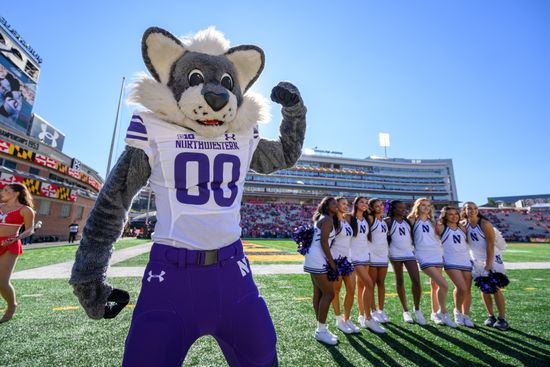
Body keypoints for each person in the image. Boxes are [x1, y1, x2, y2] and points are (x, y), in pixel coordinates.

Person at [408, 198, 456, 328]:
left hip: (436, 253)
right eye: (423, 205)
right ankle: (444, 313)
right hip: (423, 255)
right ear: (417, 206)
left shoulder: (433, 222)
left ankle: (434, 314)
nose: (426, 207)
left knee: (435, 286)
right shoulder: (412, 220)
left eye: (428, 206)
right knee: (444, 284)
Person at [462, 202, 509, 331]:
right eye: (469, 209)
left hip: (492, 258)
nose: (472, 211)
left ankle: (502, 318)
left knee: (495, 288)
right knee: (484, 288)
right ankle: (491, 316)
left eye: (474, 208)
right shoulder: (464, 224)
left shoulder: (484, 224)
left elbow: (489, 245)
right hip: (476, 260)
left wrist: (488, 264)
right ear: (464, 210)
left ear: (477, 210)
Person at [303, 197, 339, 345]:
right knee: (329, 293)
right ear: (326, 205)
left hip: (313, 256)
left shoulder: (322, 217)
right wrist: (332, 263)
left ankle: (321, 328)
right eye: (333, 203)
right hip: (318, 257)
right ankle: (320, 330)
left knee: (318, 292)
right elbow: (324, 242)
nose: (336, 206)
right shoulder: (328, 220)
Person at [0, 183, 35, 323]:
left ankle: (11, 306)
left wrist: (17, 237)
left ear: (16, 193)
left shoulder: (25, 210)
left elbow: (30, 229)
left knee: (2, 282)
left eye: (6, 190)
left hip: (10, 245)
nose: (3, 192)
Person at [386, 200, 426, 325]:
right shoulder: (388, 221)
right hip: (395, 254)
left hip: (409, 253)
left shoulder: (408, 221)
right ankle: (405, 311)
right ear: (393, 209)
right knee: (400, 281)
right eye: (400, 208)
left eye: (405, 207)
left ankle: (417, 309)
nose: (404, 210)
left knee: (416, 281)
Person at [350, 196, 385, 333]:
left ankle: (361, 315)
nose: (364, 204)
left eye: (366, 202)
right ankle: (368, 318)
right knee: (369, 284)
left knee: (362, 286)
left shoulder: (367, 219)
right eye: (361, 202)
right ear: (356, 204)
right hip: (354, 256)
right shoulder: (349, 218)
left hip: (366, 255)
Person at [436, 206, 474, 327]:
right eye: (450, 214)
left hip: (465, 260)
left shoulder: (463, 228)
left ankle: (466, 315)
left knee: (467, 290)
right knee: (461, 287)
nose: (454, 216)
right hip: (450, 260)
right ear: (445, 216)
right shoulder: (441, 227)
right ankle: (457, 311)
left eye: (456, 214)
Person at [330, 197, 360, 334]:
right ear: (336, 205)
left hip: (348, 260)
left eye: (347, 204)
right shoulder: (331, 221)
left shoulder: (347, 220)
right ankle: (338, 320)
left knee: (351, 290)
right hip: (336, 260)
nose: (346, 206)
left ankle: (347, 319)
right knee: (336, 291)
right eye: (343, 204)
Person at [367, 198, 390, 323]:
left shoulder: (384, 221)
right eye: (377, 206)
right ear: (372, 208)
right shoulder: (371, 219)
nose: (380, 207)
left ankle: (381, 310)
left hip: (383, 254)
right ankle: (373, 310)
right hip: (372, 254)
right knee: (371, 284)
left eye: (381, 205)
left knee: (381, 283)